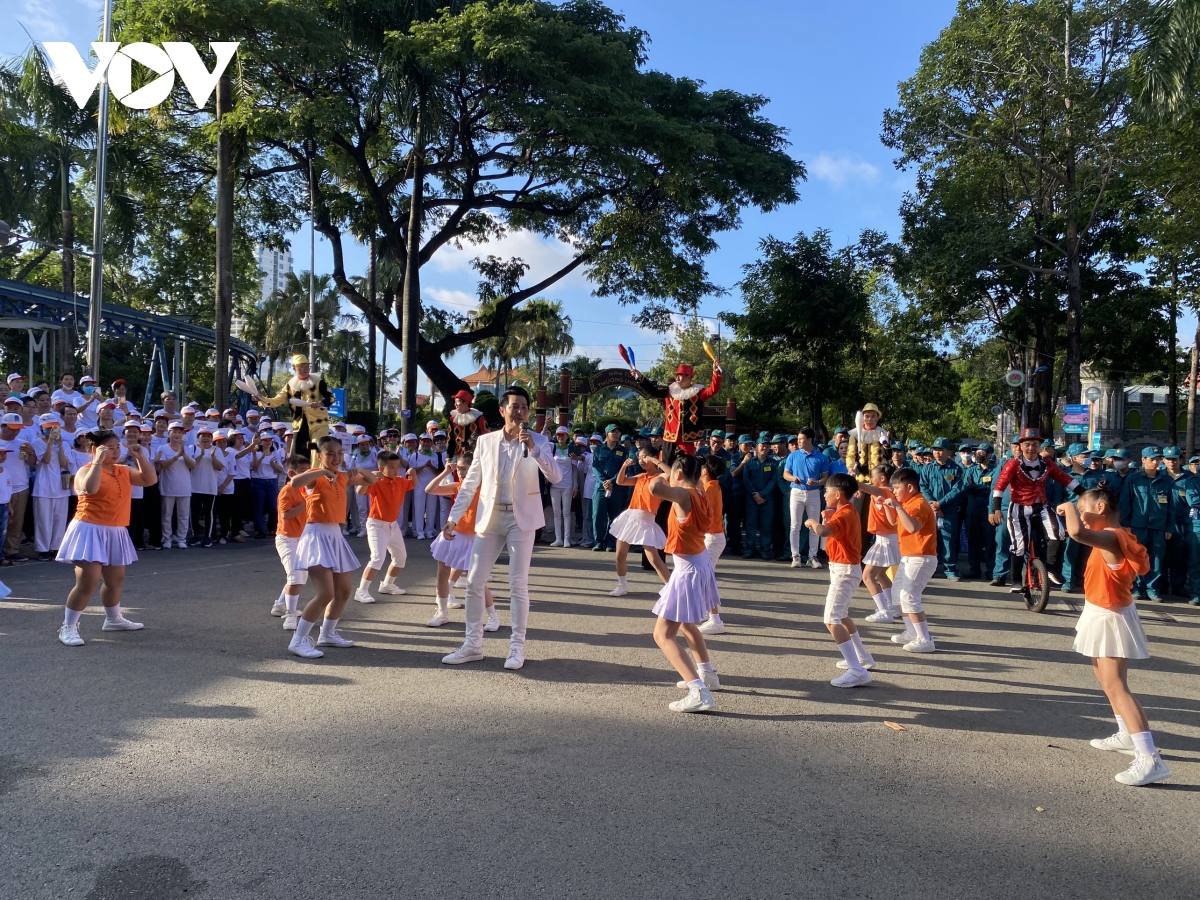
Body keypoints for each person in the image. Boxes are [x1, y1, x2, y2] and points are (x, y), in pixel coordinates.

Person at [440, 386, 563, 670]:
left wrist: (533, 449)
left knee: (517, 584)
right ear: (502, 410)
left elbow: (555, 475)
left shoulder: (540, 441)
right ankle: (473, 644)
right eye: (514, 406)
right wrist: (453, 518)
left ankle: (516, 647)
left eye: (523, 407)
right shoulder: (485, 441)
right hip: (490, 517)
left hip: (523, 520)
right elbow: (470, 482)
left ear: (528, 412)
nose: (519, 411)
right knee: (474, 582)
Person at [1056, 489, 1170, 786]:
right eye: (1078, 509)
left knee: (1118, 686)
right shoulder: (1109, 534)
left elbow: (1076, 532)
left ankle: (1150, 758)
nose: (1080, 514)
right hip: (1099, 610)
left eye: (1084, 509)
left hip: (1110, 616)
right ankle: (1126, 735)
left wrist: (1067, 505)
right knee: (1106, 681)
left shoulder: (1110, 536)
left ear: (1101, 507)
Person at [55, 429, 157, 646]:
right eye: (109, 448)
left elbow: (150, 480)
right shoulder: (85, 470)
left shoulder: (123, 470)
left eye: (117, 447)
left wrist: (140, 457)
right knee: (88, 582)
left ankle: (113, 619)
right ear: (95, 450)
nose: (115, 451)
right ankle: (68, 627)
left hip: (115, 529)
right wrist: (98, 463)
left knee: (114, 581)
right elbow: (89, 489)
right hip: (89, 529)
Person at [286, 436, 377, 659]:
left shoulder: (343, 477)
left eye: (339, 453)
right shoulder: (314, 479)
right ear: (320, 456)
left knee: (344, 591)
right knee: (325, 593)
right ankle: (297, 641)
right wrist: (320, 471)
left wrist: (357, 469)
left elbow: (372, 480)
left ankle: (327, 634)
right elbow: (294, 483)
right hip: (316, 536)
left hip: (335, 536)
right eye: (330, 454)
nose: (336, 458)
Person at [647, 453, 719, 713]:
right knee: (687, 624)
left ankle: (697, 690)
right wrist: (665, 467)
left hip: (688, 568)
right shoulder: (700, 492)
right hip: (697, 562)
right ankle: (707, 674)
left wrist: (660, 473)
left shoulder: (685, 495)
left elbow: (655, 488)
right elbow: (676, 476)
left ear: (678, 475)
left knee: (662, 634)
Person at [989, 428, 1079, 590]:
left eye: (1035, 445)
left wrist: (1085, 493)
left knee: (1058, 531)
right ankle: (1016, 580)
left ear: (1040, 447)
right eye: (1028, 445)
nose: (1031, 448)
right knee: (1019, 545)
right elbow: (999, 487)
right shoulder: (1013, 465)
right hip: (1019, 508)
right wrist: (995, 508)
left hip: (1041, 507)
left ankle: (1050, 568)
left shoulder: (1047, 464)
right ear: (1021, 447)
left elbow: (1065, 479)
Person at [805, 472, 873, 686]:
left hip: (845, 570)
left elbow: (824, 532)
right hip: (843, 568)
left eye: (827, 491)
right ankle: (861, 657)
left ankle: (857, 669)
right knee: (841, 615)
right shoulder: (844, 512)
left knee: (831, 619)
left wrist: (813, 523)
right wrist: (826, 518)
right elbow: (833, 534)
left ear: (839, 494)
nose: (825, 495)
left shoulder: (844, 514)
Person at [425, 454, 500, 630]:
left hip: (475, 537)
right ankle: (442, 612)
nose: (460, 471)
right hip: (453, 534)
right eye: (458, 468)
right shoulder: (458, 486)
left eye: (464, 468)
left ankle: (493, 617)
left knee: (478, 581)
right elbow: (430, 489)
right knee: (442, 574)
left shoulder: (485, 488)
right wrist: (445, 472)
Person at [883, 466, 939, 653]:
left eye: (897, 488)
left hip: (921, 557)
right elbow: (894, 522)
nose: (894, 492)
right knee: (897, 595)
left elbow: (913, 527)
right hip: (909, 557)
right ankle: (911, 632)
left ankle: (925, 638)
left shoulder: (918, 504)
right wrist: (888, 506)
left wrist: (897, 506)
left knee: (909, 597)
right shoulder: (908, 503)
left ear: (909, 488)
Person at [607, 448, 670, 596]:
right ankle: (622, 585)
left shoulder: (660, 478)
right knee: (620, 555)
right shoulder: (640, 477)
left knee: (654, 559)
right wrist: (624, 466)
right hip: (630, 518)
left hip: (647, 520)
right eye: (639, 457)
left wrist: (655, 460)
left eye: (645, 457)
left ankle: (672, 588)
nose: (641, 460)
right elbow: (620, 481)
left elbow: (672, 474)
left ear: (653, 457)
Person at [354, 450, 414, 604]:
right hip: (376, 524)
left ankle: (387, 584)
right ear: (382, 469)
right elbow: (360, 491)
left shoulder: (400, 481)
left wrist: (412, 473)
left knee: (400, 558)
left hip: (392, 525)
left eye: (397, 467)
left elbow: (413, 484)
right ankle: (361, 591)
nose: (396, 470)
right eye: (392, 467)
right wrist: (371, 475)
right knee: (377, 558)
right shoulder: (376, 481)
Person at [630, 362, 722, 461]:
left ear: (689, 377)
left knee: (686, 465)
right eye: (676, 376)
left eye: (680, 376)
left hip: (687, 438)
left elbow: (713, 390)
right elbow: (652, 390)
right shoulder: (670, 391)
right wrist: (640, 377)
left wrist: (716, 373)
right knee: (666, 464)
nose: (677, 378)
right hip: (670, 436)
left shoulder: (698, 392)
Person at [1118, 446, 1176, 602]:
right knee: (1136, 558)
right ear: (1143, 460)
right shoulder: (1133, 479)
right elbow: (1125, 504)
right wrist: (1126, 524)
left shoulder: (1165, 481)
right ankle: (1137, 588)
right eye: (1152, 459)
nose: (1155, 462)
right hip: (1137, 526)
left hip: (1158, 527)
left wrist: (1169, 527)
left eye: (1158, 459)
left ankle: (1153, 589)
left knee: (1156, 560)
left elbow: (1171, 507)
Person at [253, 354, 333, 455]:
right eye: (302, 366)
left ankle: (317, 470)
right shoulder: (290, 386)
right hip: (299, 424)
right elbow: (275, 401)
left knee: (316, 451)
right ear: (294, 368)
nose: (305, 369)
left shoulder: (318, 382)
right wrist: (261, 398)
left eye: (307, 366)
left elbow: (331, 398)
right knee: (297, 455)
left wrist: (321, 403)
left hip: (318, 423)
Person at [856, 464, 901, 623]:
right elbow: (869, 491)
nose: (870, 479)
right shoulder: (881, 493)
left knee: (867, 576)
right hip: (886, 539)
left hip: (886, 540)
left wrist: (854, 479)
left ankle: (884, 611)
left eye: (873, 476)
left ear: (882, 478)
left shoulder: (885, 491)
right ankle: (892, 606)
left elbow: (869, 489)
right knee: (881, 574)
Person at [919, 437, 967, 581]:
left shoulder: (956, 469)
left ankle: (950, 568)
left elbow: (958, 488)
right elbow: (923, 486)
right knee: (930, 538)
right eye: (935, 450)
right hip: (931, 510)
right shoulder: (927, 468)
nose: (937, 453)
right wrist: (933, 503)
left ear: (947, 452)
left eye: (940, 450)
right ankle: (931, 568)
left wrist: (941, 503)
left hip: (949, 510)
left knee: (948, 539)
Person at [783, 426, 831, 568]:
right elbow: (785, 474)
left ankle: (812, 556)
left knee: (814, 525)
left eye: (801, 439)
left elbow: (825, 478)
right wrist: (793, 478)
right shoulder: (793, 455)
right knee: (795, 525)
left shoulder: (821, 457)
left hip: (814, 493)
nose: (798, 442)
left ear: (809, 440)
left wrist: (817, 482)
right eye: (797, 439)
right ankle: (795, 556)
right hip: (796, 492)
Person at [273, 454, 310, 631]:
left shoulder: (307, 488)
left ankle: (280, 604)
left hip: (303, 538)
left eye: (308, 471)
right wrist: (306, 503)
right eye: (303, 472)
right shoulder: (287, 491)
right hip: (286, 538)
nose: (306, 475)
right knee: (295, 575)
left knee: (300, 576)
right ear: (290, 473)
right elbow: (286, 515)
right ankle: (290, 613)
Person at [32, 412, 73, 560]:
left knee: (59, 519)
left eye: (54, 427)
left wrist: (60, 445)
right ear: (42, 428)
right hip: (43, 487)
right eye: (48, 428)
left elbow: (63, 463)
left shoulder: (65, 444)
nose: (52, 430)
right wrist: (49, 443)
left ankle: (56, 547)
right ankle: (43, 549)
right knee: (43, 520)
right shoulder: (37, 443)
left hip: (61, 488)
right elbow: (46, 460)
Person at [154, 422, 196, 549]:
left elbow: (192, 466)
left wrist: (183, 455)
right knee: (167, 515)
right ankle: (167, 538)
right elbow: (162, 465)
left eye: (179, 432)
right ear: (169, 433)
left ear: (183, 435)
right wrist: (177, 456)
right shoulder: (162, 449)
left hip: (185, 487)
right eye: (174, 431)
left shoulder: (187, 449)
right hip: (168, 486)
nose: (177, 434)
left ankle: (181, 538)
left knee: (183, 515)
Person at [698, 454, 728, 635]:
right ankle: (707, 612)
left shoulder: (708, 488)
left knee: (706, 578)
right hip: (712, 536)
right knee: (704, 577)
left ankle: (715, 619)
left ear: (705, 471)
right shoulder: (712, 486)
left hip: (712, 537)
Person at [590, 424, 629, 553]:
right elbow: (595, 467)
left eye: (618, 432)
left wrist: (612, 481)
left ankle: (611, 542)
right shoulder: (598, 449)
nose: (616, 434)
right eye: (613, 432)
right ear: (607, 434)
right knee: (598, 515)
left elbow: (624, 469)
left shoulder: (623, 451)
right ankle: (598, 541)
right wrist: (604, 482)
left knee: (615, 516)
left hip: (617, 487)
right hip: (601, 487)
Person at [962, 443, 998, 580]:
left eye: (981, 453)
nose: (977, 455)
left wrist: (976, 488)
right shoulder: (971, 470)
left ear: (988, 455)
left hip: (988, 510)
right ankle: (974, 570)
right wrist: (984, 490)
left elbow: (994, 490)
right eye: (976, 452)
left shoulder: (995, 471)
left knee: (990, 542)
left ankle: (990, 571)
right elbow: (966, 487)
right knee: (973, 541)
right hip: (973, 510)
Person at [742, 435, 777, 560]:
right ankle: (749, 549)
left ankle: (765, 550)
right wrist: (755, 495)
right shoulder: (750, 462)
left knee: (766, 525)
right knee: (751, 524)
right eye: (762, 445)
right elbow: (746, 480)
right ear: (757, 447)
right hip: (751, 499)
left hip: (767, 499)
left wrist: (761, 494)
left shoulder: (773, 463)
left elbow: (774, 481)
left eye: (767, 446)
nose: (765, 448)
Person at [188, 427, 224, 547]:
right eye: (203, 436)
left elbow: (219, 467)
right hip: (194, 487)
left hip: (209, 487)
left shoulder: (216, 450)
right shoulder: (191, 448)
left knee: (209, 513)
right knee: (194, 513)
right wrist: (201, 454)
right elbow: (191, 465)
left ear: (211, 438)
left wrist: (212, 456)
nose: (206, 438)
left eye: (208, 436)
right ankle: (195, 536)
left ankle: (208, 537)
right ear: (198, 437)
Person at [249, 429, 284, 539]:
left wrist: (272, 463)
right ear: (261, 442)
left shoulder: (275, 453)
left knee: (273, 507)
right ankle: (259, 530)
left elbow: (280, 470)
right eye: (265, 440)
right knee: (258, 507)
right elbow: (254, 468)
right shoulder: (256, 452)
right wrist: (261, 458)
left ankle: (272, 528)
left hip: (271, 482)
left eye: (270, 440)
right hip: (258, 482)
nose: (268, 442)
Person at [547, 426, 579, 547]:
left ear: (567, 436)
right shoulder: (552, 447)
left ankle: (566, 539)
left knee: (566, 512)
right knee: (556, 512)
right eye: (558, 435)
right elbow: (541, 440)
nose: (560, 437)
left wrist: (575, 485)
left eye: (563, 435)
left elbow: (575, 468)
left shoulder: (571, 449)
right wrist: (545, 425)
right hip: (554, 484)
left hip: (567, 485)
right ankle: (558, 538)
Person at [446, 388, 489, 457]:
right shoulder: (453, 419)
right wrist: (448, 458)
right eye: (455, 402)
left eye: (457, 402)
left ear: (465, 403)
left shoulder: (479, 418)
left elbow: (487, 437)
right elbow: (450, 440)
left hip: (476, 457)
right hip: (460, 458)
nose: (455, 404)